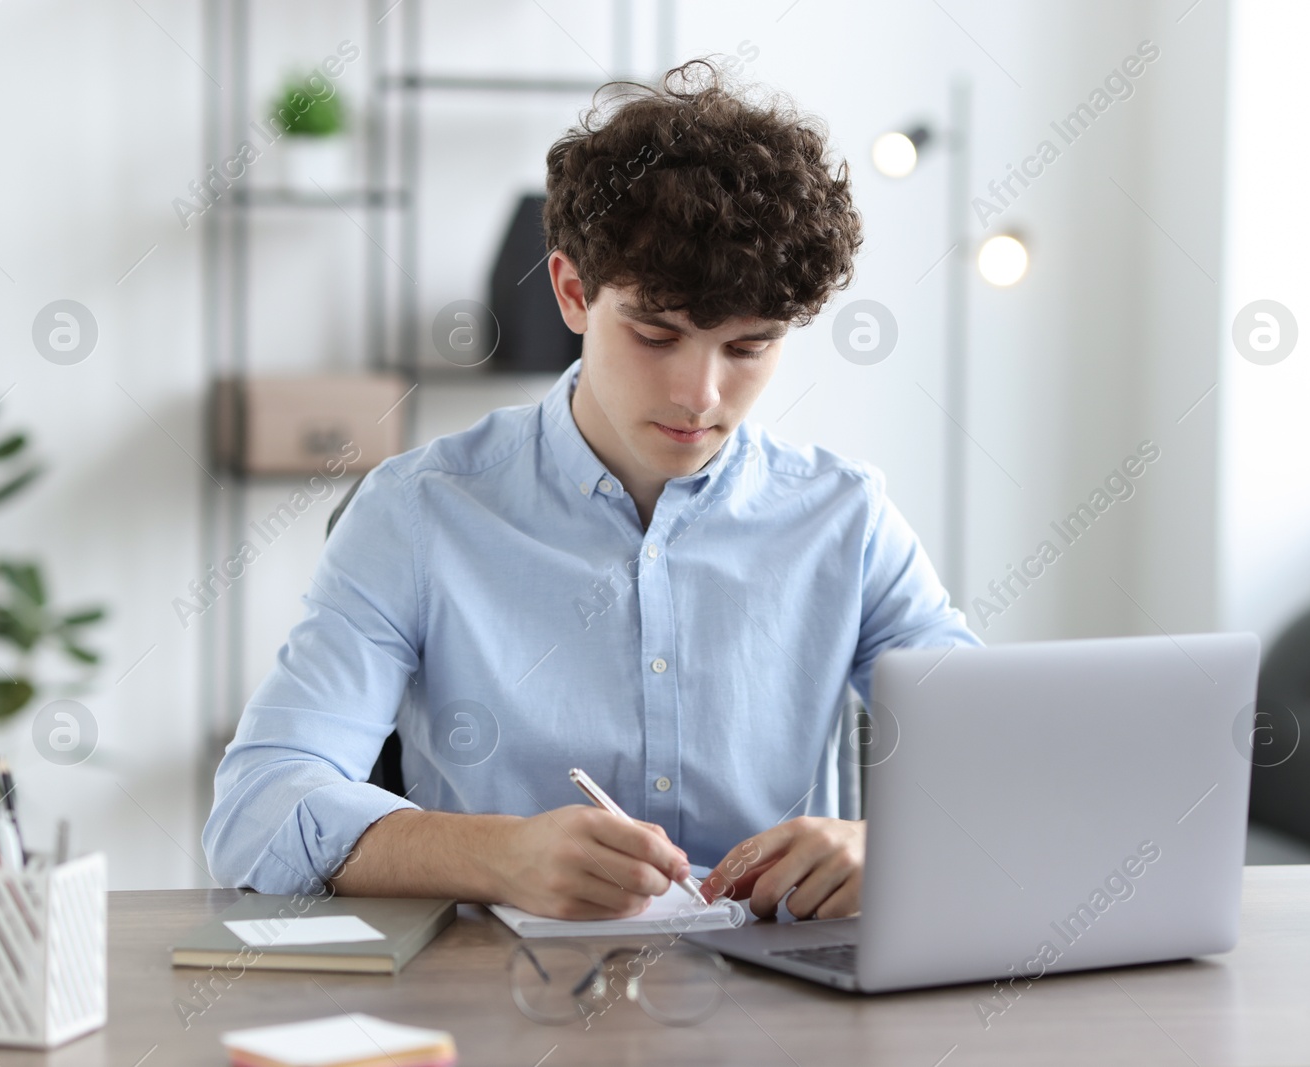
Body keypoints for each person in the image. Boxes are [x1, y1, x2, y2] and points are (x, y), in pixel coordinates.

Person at [202, 58, 979, 922]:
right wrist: (498, 855)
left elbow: (1001, 761)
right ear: (573, 292)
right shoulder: (419, 512)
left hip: (785, 1010)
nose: (700, 393)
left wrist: (892, 842)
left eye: (748, 348)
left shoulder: (847, 519)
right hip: (510, 1005)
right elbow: (257, 809)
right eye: (656, 334)